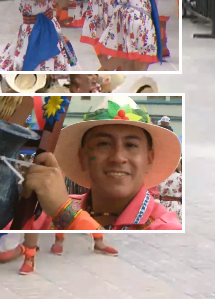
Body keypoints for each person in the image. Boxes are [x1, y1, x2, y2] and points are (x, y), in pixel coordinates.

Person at [23, 95, 183, 230]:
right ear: (83, 157)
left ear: (149, 159)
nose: (118, 157)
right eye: (103, 144)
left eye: (131, 145)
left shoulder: (165, 228)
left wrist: (65, 212)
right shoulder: (47, 212)